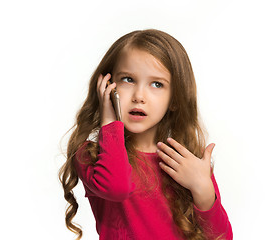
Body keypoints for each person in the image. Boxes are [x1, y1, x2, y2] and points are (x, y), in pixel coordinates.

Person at [59, 29, 233, 240]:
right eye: (128, 79)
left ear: (175, 99)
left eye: (157, 84)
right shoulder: (91, 155)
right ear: (106, 86)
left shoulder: (186, 161)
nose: (139, 96)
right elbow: (117, 188)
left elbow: (223, 237)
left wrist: (203, 190)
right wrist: (110, 123)